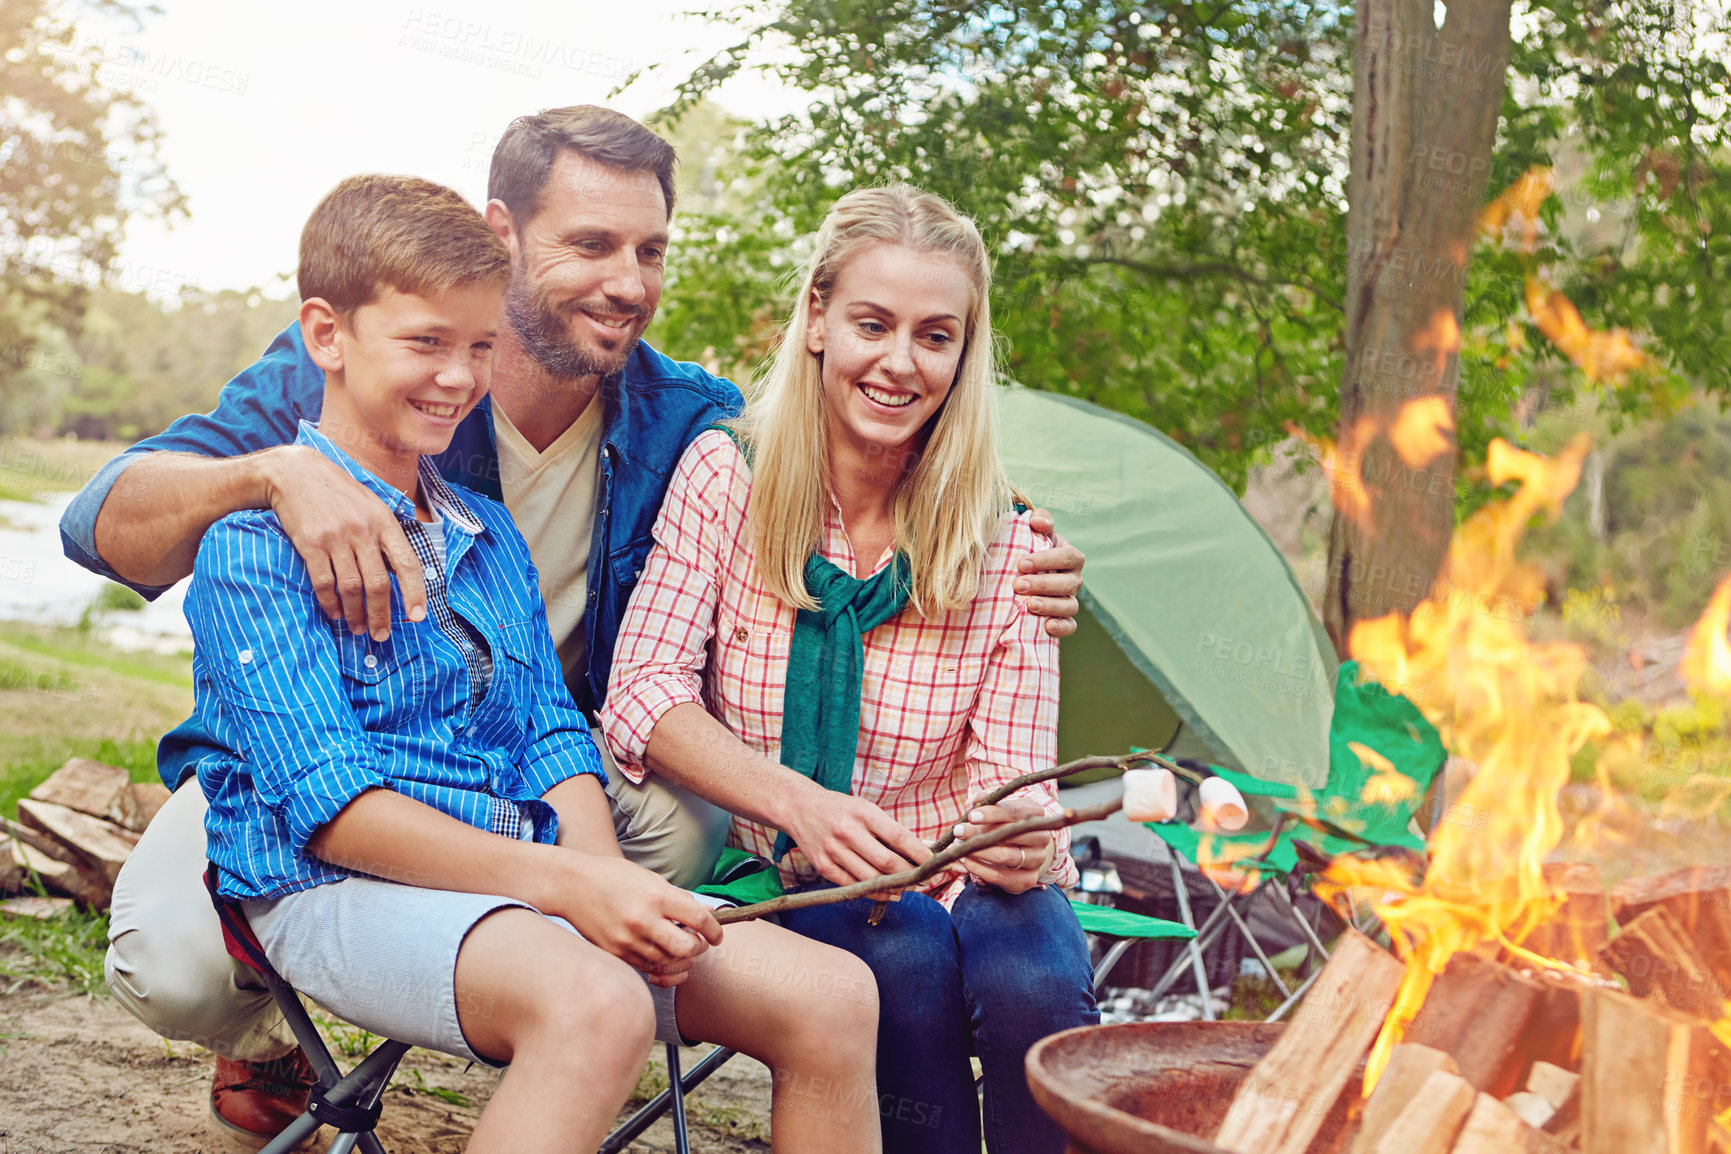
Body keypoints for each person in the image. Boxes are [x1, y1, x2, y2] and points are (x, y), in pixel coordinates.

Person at [58, 107, 1086, 1137]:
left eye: (649, 251)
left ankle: (550, 953)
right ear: (501, 235)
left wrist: (1016, 548)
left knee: (806, 963)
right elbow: (99, 520)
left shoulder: (676, 423)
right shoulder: (344, 361)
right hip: (313, 767)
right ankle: (278, 1036)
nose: (628, 282)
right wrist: (268, 474)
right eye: (590, 244)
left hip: (525, 774)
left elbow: (845, 452)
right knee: (175, 964)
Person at [189, 172, 879, 1154]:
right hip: (327, 889)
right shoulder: (251, 546)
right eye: (426, 342)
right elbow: (334, 811)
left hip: (516, 883)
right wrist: (568, 885)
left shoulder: (488, 533)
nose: (459, 378)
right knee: (596, 1002)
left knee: (833, 995)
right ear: (327, 335)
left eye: (479, 346)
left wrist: (607, 879)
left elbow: (552, 729)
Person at [600, 184, 1097, 1154]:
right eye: (873, 322)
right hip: (793, 870)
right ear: (818, 316)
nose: (900, 362)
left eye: (935, 335)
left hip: (956, 871)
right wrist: (801, 804)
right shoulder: (726, 477)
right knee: (904, 951)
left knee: (1029, 955)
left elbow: (1015, 785)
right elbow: (644, 689)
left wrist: (1021, 840)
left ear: (964, 352)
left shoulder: (1011, 543)